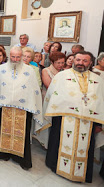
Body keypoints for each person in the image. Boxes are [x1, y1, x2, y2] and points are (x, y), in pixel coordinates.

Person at [43, 51, 104, 183]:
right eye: (78, 60)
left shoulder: (98, 80)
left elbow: (101, 102)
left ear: (90, 62)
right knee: (58, 141)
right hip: (63, 119)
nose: (80, 63)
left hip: (87, 122)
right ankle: (55, 166)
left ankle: (81, 173)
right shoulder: (62, 76)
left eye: (85, 60)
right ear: (73, 60)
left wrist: (99, 124)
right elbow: (52, 95)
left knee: (85, 145)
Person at [0, 46, 43, 170]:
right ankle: (3, 153)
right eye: (13, 57)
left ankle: (20, 157)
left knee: (22, 133)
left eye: (18, 57)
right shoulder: (1, 69)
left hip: (23, 108)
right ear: (9, 56)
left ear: (22, 56)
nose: (15, 59)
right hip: (4, 106)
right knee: (3, 130)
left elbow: (34, 90)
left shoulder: (30, 70)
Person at [35, 51, 66, 149]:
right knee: (47, 120)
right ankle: (45, 142)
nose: (61, 65)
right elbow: (49, 86)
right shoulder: (46, 71)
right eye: (58, 63)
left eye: (62, 63)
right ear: (52, 62)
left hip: (60, 100)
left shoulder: (65, 72)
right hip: (48, 98)